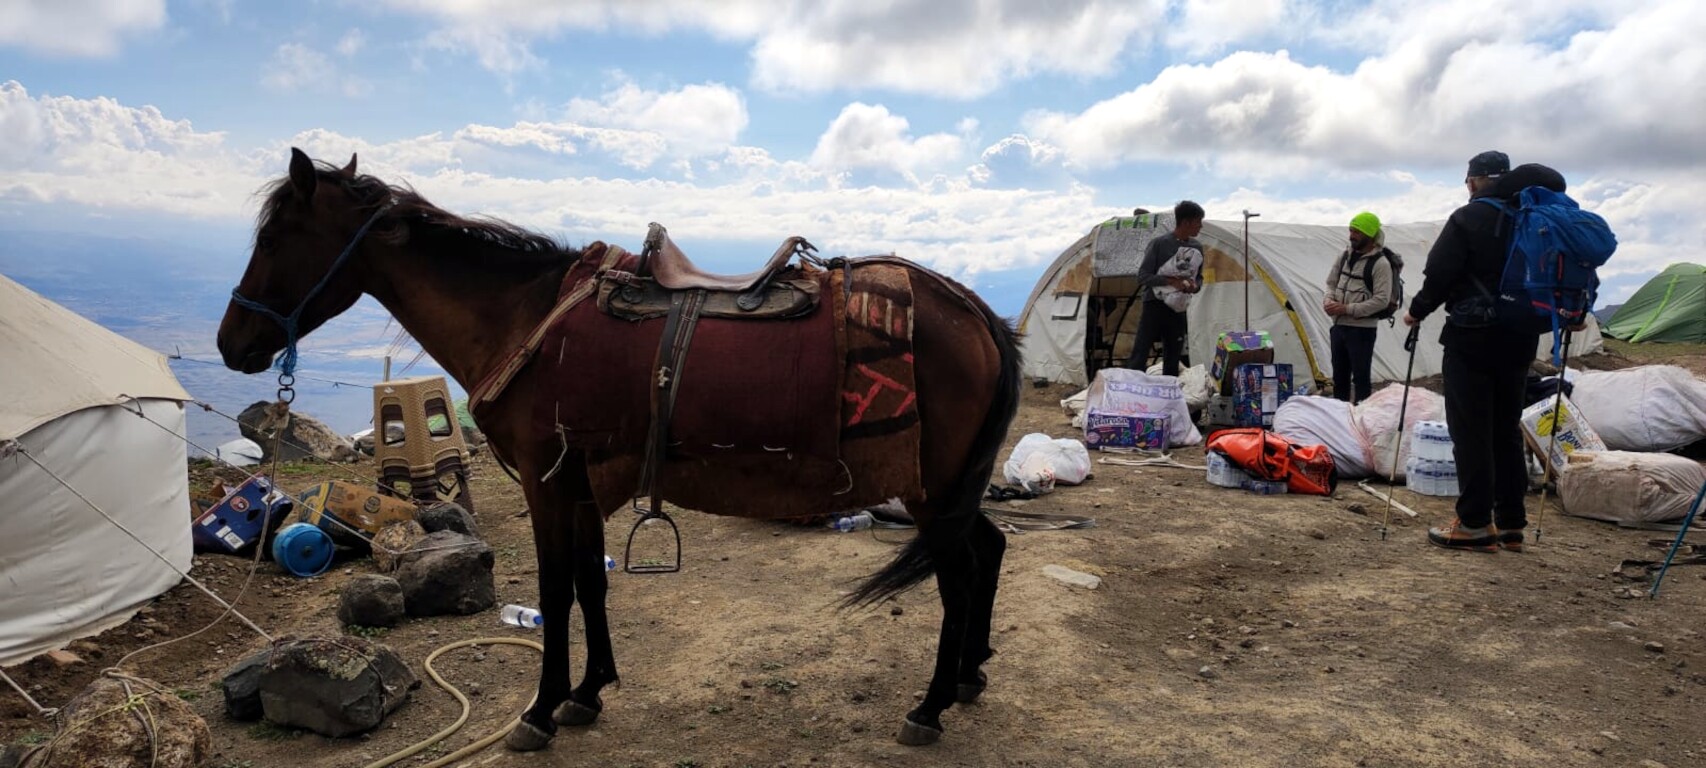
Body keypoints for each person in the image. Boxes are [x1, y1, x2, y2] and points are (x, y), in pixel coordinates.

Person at [1403, 150, 1554, 553]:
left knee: (1471, 431)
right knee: (1505, 428)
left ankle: (1473, 523)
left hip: (1472, 336)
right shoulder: (1532, 221)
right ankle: (1511, 523)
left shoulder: (1468, 218)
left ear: (1473, 181)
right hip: (1520, 338)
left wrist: (1417, 311)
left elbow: (1439, 272)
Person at [1125, 200, 1205, 376]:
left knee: (1173, 353)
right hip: (1154, 304)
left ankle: (1169, 392)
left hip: (1178, 307)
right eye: (1198, 222)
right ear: (1186, 222)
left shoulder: (1196, 247)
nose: (1200, 227)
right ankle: (1131, 390)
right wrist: (1170, 281)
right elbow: (1143, 277)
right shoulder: (1160, 244)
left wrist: (1194, 287)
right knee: (1141, 350)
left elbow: (1199, 277)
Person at [1324, 211, 1394, 403]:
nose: (1351, 235)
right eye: (1351, 230)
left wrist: (1346, 309)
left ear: (1370, 235)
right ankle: (1340, 418)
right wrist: (1328, 300)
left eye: (1356, 232)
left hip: (1362, 330)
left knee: (1361, 379)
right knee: (1339, 378)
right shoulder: (1345, 256)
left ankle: (1363, 419)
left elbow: (1381, 299)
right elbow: (1331, 283)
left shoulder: (1381, 264)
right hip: (1339, 327)